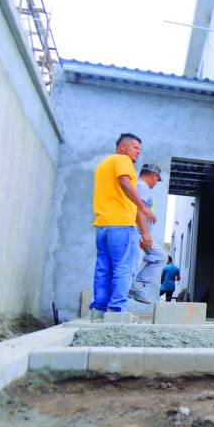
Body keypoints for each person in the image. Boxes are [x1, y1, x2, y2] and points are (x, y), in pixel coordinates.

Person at [89, 133, 157, 321]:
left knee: (103, 269)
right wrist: (143, 208)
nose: (138, 152)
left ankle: (98, 311)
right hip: (121, 225)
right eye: (136, 148)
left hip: (103, 226)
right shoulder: (122, 160)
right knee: (123, 268)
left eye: (139, 150)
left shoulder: (103, 165)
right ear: (123, 147)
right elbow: (125, 184)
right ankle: (117, 310)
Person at [128, 163, 164, 303]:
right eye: (157, 179)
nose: (156, 183)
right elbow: (138, 210)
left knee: (159, 256)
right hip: (138, 234)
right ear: (154, 176)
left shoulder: (141, 187)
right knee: (130, 265)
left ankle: (135, 287)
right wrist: (145, 233)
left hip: (140, 234)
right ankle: (125, 294)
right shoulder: (143, 187)